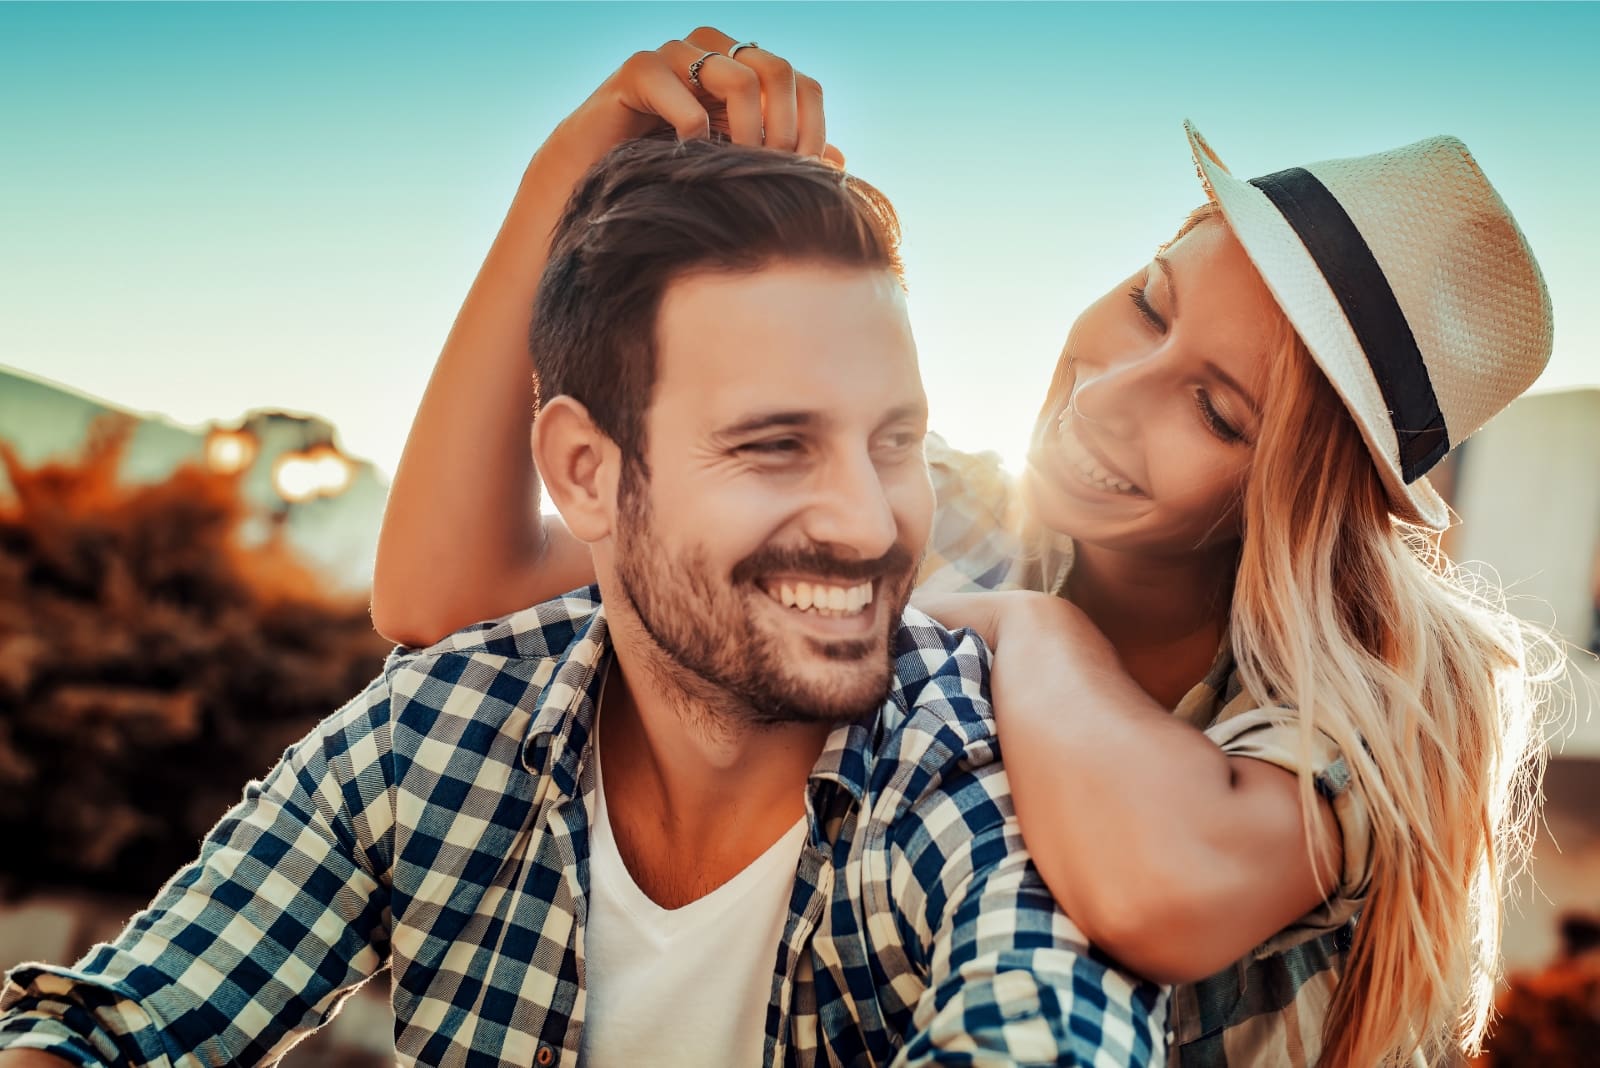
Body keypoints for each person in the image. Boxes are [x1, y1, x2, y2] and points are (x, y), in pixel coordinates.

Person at [366, 28, 1567, 1068]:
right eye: (1151, 300)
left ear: (1303, 493)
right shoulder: (942, 507)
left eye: (1216, 411)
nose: (1112, 393)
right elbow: (446, 598)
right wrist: (562, 179)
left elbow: (1158, 888)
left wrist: (1030, 631)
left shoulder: (1386, 693)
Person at [0, 139, 1168, 1067]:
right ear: (586, 473)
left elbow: (1045, 1024)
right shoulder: (447, 723)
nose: (867, 522)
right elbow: (117, 1025)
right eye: (773, 446)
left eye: (894, 440)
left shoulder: (975, 777)